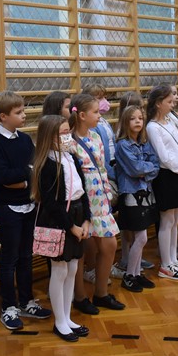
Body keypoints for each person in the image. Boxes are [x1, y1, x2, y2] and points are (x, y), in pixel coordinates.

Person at [0, 91, 51, 331]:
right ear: (3, 116)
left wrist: (25, 177)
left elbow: (36, 168)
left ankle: (26, 301)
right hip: (8, 208)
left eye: (23, 110)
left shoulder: (24, 139)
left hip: (29, 205)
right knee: (9, 258)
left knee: (26, 256)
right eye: (18, 112)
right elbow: (4, 177)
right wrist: (27, 174)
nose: (24, 115)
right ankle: (8, 306)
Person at [32, 115, 91, 343]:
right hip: (59, 220)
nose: (68, 137)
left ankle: (67, 317)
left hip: (76, 215)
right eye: (63, 133)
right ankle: (59, 322)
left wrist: (86, 219)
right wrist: (71, 227)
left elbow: (83, 190)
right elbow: (50, 203)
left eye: (68, 132)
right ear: (50, 137)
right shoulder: (46, 164)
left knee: (73, 268)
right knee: (60, 270)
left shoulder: (71, 157)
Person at [68, 93, 124, 310]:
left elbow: (101, 167)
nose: (99, 115)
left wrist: (107, 192)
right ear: (82, 115)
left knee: (110, 245)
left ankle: (101, 293)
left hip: (100, 199)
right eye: (95, 112)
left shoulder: (96, 136)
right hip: (83, 201)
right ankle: (80, 296)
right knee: (81, 250)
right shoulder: (69, 141)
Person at [146, 84, 178, 278]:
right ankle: (166, 264)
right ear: (158, 103)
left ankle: (174, 260)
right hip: (166, 176)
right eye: (169, 101)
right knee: (167, 221)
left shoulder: (169, 122)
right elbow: (164, 157)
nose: (173, 103)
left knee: (175, 219)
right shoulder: (152, 127)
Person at [114, 105, 160, 291]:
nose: (137, 121)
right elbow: (135, 169)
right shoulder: (123, 145)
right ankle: (129, 275)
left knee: (141, 237)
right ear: (126, 122)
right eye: (133, 118)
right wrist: (146, 169)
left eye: (140, 118)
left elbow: (156, 165)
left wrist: (145, 170)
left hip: (145, 192)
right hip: (131, 194)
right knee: (140, 238)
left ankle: (136, 274)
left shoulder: (144, 143)